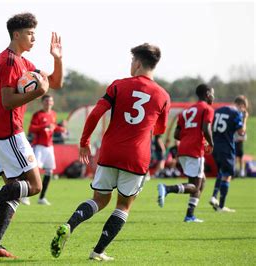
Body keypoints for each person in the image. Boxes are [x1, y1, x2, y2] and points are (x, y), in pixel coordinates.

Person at [50, 43, 170, 261]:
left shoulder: (118, 86)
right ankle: (97, 251)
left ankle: (69, 225)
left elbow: (96, 114)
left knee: (99, 199)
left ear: (138, 63)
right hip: (136, 157)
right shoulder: (163, 95)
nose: (130, 65)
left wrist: (84, 141)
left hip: (110, 152)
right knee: (123, 205)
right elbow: (160, 129)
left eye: (132, 61)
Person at [0, 12, 63, 258]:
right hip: (8, 132)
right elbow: (7, 102)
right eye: (30, 33)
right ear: (16, 34)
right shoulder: (8, 61)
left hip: (1, 132)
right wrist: (37, 93)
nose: (34, 38)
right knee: (35, 186)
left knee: (15, 191)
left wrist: (57, 59)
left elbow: (55, 83)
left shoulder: (23, 62)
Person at [157, 84, 215, 222]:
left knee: (202, 182)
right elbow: (206, 128)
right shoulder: (207, 108)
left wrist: (189, 136)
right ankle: (167, 188)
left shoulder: (186, 111)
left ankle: (190, 215)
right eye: (212, 93)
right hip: (195, 150)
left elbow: (177, 134)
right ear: (207, 94)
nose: (213, 96)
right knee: (195, 186)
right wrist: (211, 144)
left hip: (182, 149)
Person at [20, 94, 66, 206]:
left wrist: (60, 129)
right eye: (46, 101)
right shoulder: (38, 114)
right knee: (32, 170)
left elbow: (53, 127)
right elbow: (31, 128)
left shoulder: (53, 114)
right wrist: (44, 126)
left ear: (53, 103)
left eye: (50, 101)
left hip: (49, 147)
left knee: (49, 171)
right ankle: (25, 196)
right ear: (42, 103)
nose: (48, 103)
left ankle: (42, 197)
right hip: (38, 146)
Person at [209, 95, 248, 212]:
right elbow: (241, 132)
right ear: (242, 106)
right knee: (228, 175)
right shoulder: (236, 113)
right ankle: (220, 206)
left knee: (222, 171)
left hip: (215, 145)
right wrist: (244, 119)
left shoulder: (219, 110)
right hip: (227, 147)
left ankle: (214, 197)